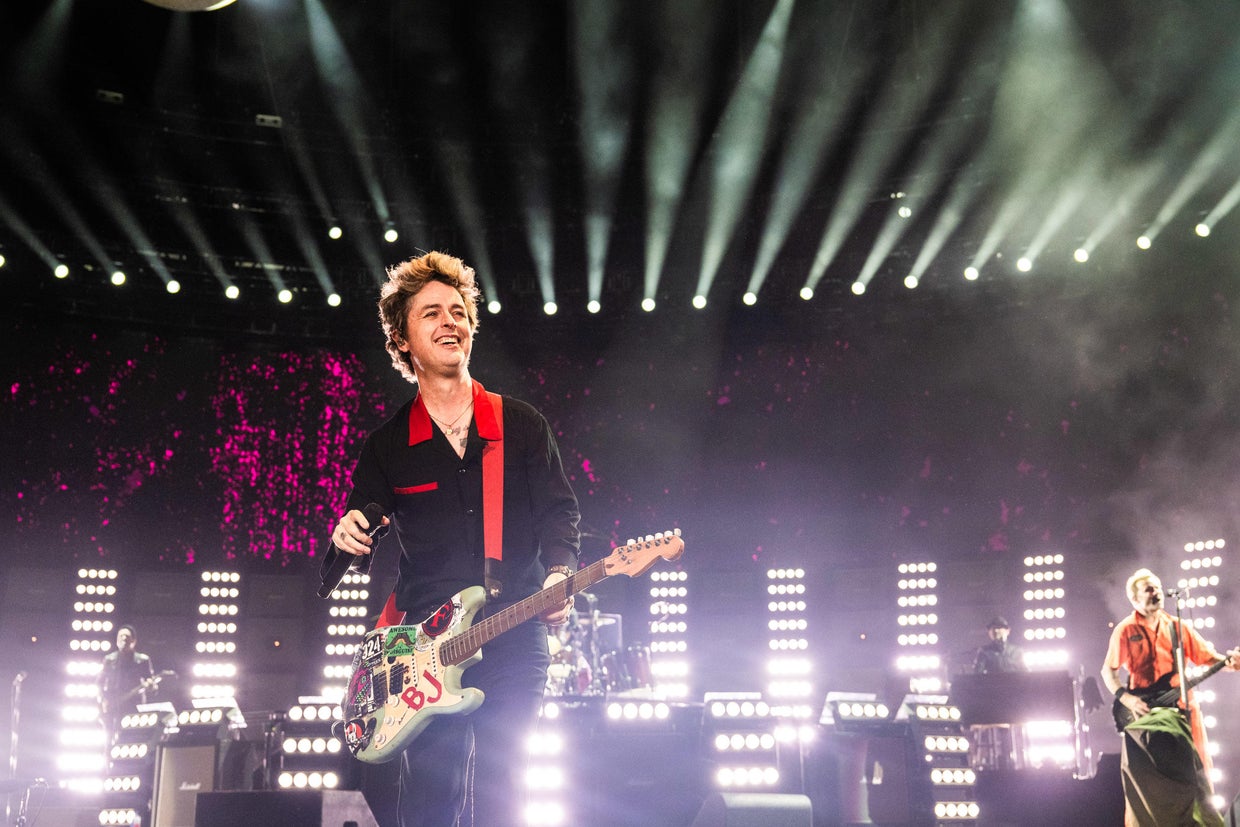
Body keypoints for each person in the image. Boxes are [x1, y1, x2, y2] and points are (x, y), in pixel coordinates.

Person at [326, 251, 580, 827]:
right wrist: (348, 532)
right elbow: (363, 519)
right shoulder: (386, 446)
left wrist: (562, 570)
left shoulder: (520, 424)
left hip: (514, 633)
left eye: (459, 310)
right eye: (431, 313)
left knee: (504, 795)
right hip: (424, 653)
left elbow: (560, 513)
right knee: (429, 806)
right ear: (402, 339)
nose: (450, 321)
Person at [1102, 568, 1239, 826]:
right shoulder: (1125, 630)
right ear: (1134, 600)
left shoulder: (1177, 626)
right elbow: (1107, 670)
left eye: (1157, 587)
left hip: (1183, 709)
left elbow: (1207, 657)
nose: (1156, 593)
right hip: (1146, 716)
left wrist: (1229, 662)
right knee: (1150, 781)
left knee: (1197, 774)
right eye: (1148, 589)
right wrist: (1126, 698)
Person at [97, 625, 156, 748]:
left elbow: (152, 685)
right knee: (108, 740)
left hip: (134, 706)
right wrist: (103, 700)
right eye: (121, 636)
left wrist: (150, 686)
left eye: (127, 637)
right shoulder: (109, 659)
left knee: (131, 739)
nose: (124, 639)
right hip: (113, 705)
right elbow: (99, 682)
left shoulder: (142, 660)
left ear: (133, 641)